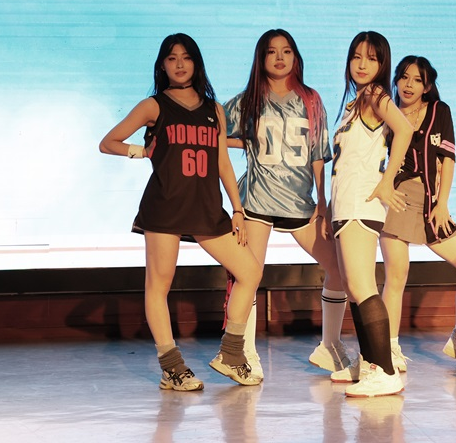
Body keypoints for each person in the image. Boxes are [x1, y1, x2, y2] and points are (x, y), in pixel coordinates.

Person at [99, 33, 263, 390]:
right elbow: (108, 142)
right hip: (165, 207)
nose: (179, 64)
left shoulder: (213, 110)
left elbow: (222, 162)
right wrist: (141, 152)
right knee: (159, 284)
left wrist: (237, 209)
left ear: (196, 63)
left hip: (206, 207)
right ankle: (171, 367)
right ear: (162, 65)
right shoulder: (153, 106)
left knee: (249, 270)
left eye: (186, 57)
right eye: (171, 58)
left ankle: (231, 353)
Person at [223, 29, 350, 378]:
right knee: (248, 276)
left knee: (339, 268)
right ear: (260, 58)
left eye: (286, 51)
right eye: (271, 51)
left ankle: (329, 346)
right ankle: (245, 353)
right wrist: (245, 142)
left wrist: (322, 203)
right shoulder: (248, 99)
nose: (279, 58)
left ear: (296, 56)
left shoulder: (310, 99)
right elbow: (213, 131)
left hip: (300, 203)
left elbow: (319, 155)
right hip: (257, 201)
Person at [329, 31, 413, 397]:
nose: (362, 64)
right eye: (356, 57)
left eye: (372, 58)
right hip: (344, 204)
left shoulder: (376, 95)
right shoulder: (354, 103)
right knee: (353, 287)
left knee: (363, 286)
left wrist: (387, 179)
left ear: (382, 64)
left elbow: (405, 129)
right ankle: (368, 362)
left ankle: (384, 370)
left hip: (361, 203)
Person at [379, 56, 456, 371]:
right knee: (396, 275)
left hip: (432, 202)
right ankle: (388, 349)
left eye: (417, 80)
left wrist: (443, 204)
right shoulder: (387, 112)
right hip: (398, 199)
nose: (408, 85)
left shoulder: (439, 111)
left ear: (427, 85)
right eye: (403, 77)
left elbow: (447, 159)